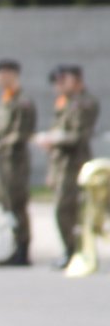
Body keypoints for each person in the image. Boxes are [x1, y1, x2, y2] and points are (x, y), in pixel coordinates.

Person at [0, 59, 36, 268]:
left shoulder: (23, 101)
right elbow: (0, 132)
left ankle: (22, 249)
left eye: (3, 74)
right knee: (7, 204)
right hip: (4, 161)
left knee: (16, 204)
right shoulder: (6, 99)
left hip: (16, 161)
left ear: (13, 74)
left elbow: (20, 133)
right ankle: (11, 247)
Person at [44, 64, 99, 269]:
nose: (58, 85)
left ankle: (76, 250)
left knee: (68, 208)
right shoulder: (66, 102)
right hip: (62, 164)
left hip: (75, 164)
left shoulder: (83, 103)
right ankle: (71, 250)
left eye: (63, 80)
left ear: (75, 80)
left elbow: (78, 136)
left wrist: (54, 140)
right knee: (64, 209)